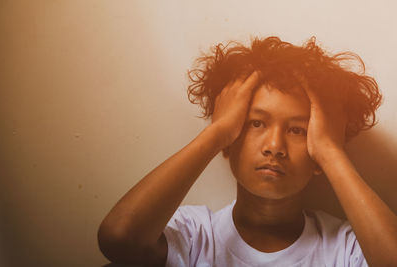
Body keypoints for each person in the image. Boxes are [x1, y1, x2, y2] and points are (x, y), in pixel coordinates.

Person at [97, 36, 397, 266]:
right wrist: (216, 133)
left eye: (297, 130)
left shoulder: (344, 247)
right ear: (231, 137)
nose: (274, 147)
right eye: (256, 123)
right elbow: (119, 238)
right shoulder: (194, 234)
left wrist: (331, 151)